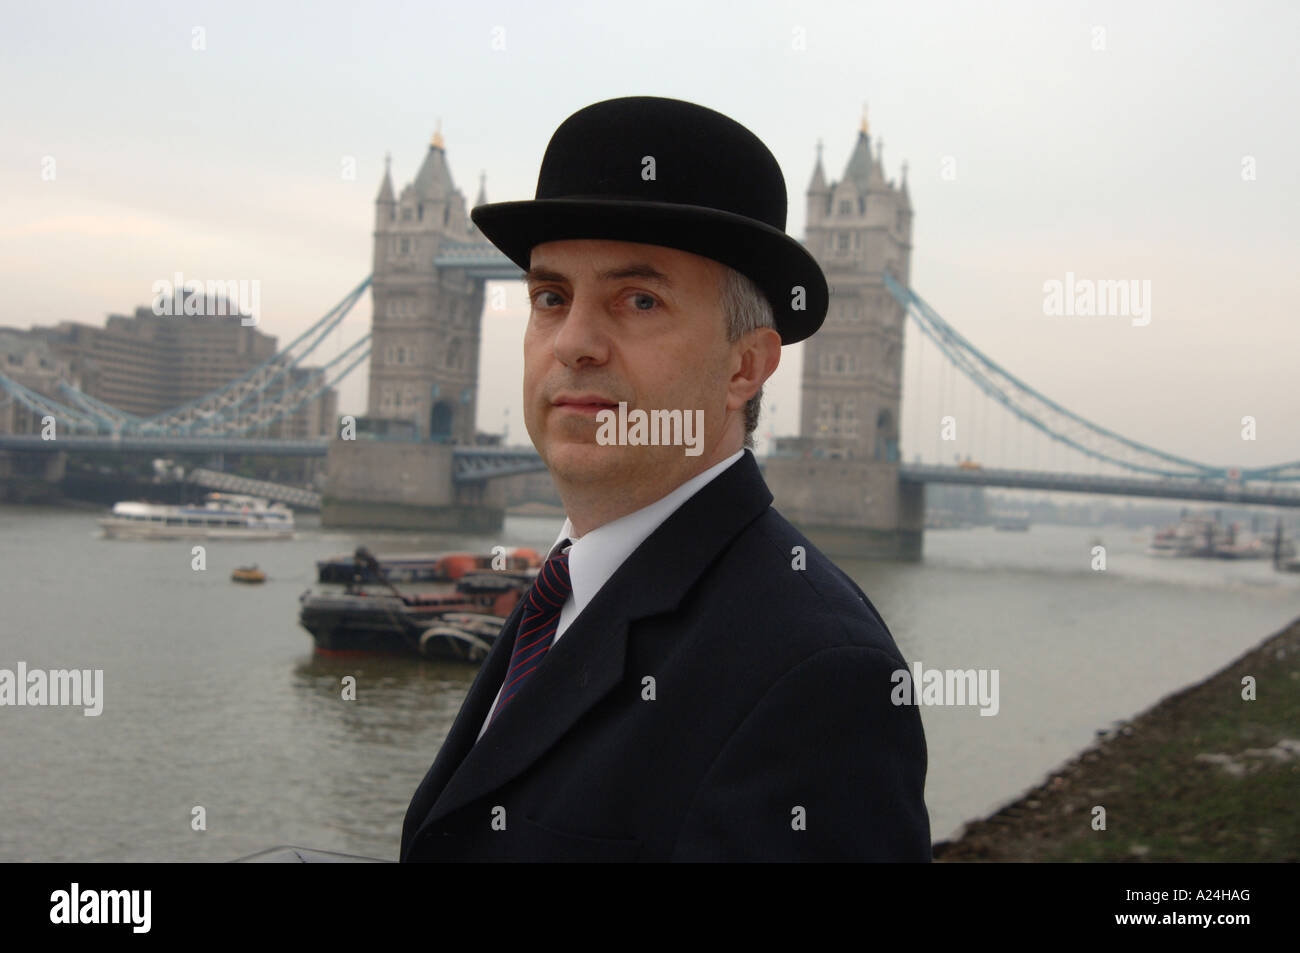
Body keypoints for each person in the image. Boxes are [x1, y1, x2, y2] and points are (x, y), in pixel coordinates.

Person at [400, 95, 931, 861]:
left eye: (638, 300)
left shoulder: (820, 679)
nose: (574, 343)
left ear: (744, 366)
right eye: (551, 297)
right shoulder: (564, 592)